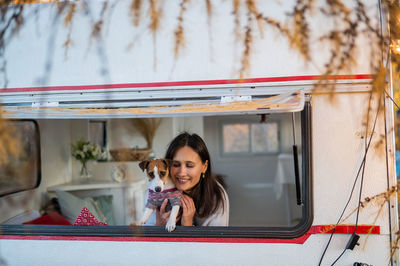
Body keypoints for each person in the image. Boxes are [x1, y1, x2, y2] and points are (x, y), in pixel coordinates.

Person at [156, 132, 229, 226]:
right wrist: (159, 227)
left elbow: (218, 239)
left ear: (204, 167)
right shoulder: (158, 188)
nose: (181, 173)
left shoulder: (216, 196)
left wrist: (188, 225)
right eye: (176, 165)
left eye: (189, 166)